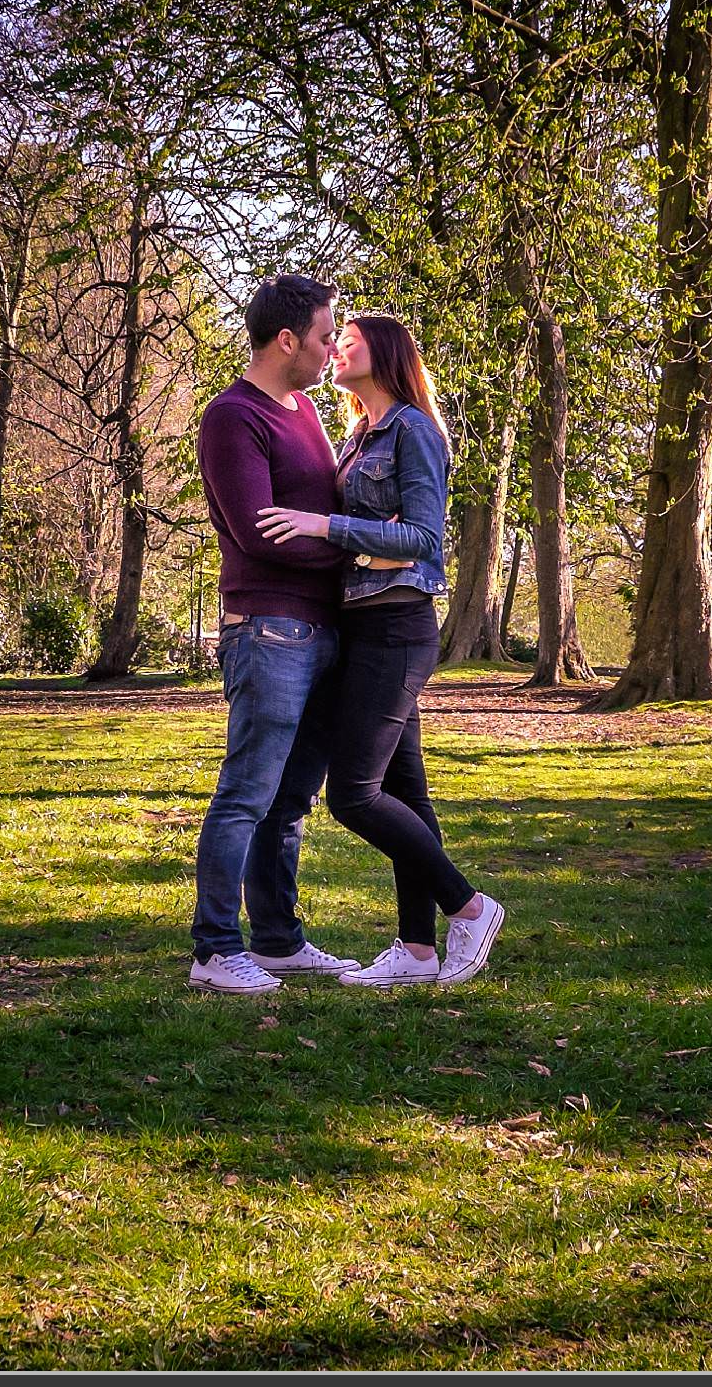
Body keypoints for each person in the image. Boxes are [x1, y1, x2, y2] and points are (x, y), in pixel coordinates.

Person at [256, 312, 505, 988]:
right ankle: (417, 951)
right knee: (406, 792)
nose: (336, 349)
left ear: (386, 354)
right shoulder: (357, 435)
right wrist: (366, 533)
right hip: (363, 622)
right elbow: (380, 535)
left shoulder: (413, 430)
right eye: (335, 341)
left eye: (351, 341)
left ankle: (469, 906)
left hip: (397, 627)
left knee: (353, 796)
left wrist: (328, 524)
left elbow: (424, 538)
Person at [186, 274, 362, 993]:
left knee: (290, 801)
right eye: (324, 337)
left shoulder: (305, 414)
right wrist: (354, 550)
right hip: (269, 629)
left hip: (324, 630)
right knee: (247, 794)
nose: (330, 351)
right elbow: (261, 535)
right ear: (286, 339)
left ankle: (279, 941)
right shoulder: (233, 416)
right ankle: (214, 950)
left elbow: (313, 517)